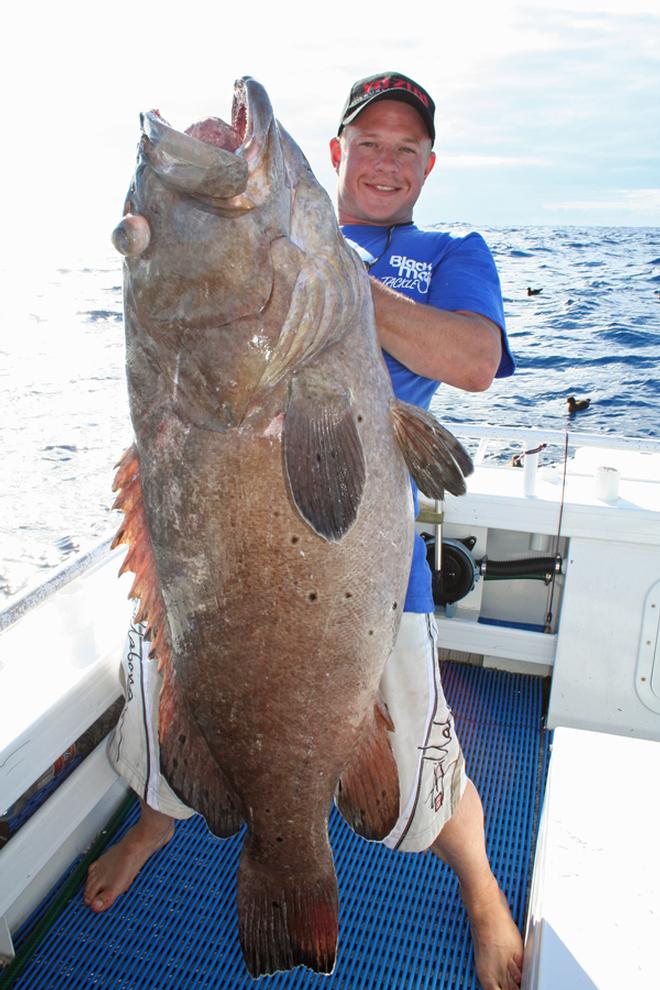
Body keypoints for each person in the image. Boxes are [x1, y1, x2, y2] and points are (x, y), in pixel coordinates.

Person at [84, 72, 522, 990]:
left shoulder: (449, 253)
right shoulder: (304, 238)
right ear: (337, 156)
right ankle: (158, 825)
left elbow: (476, 361)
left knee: (422, 766)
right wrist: (303, 271)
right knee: (178, 707)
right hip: (212, 554)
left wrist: (335, 288)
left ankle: (482, 889)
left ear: (429, 165)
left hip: (363, 575)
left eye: (407, 149)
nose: (387, 162)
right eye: (370, 144)